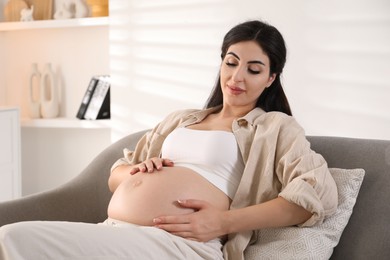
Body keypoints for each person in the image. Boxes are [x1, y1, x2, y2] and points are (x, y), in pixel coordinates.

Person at [0, 20, 338, 260]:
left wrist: (223, 222)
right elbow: (116, 173)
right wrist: (137, 171)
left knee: (11, 238)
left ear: (271, 78)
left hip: (180, 244)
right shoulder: (182, 119)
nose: (237, 77)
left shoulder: (275, 126)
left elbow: (313, 196)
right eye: (231, 62)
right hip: (114, 230)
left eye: (253, 69)